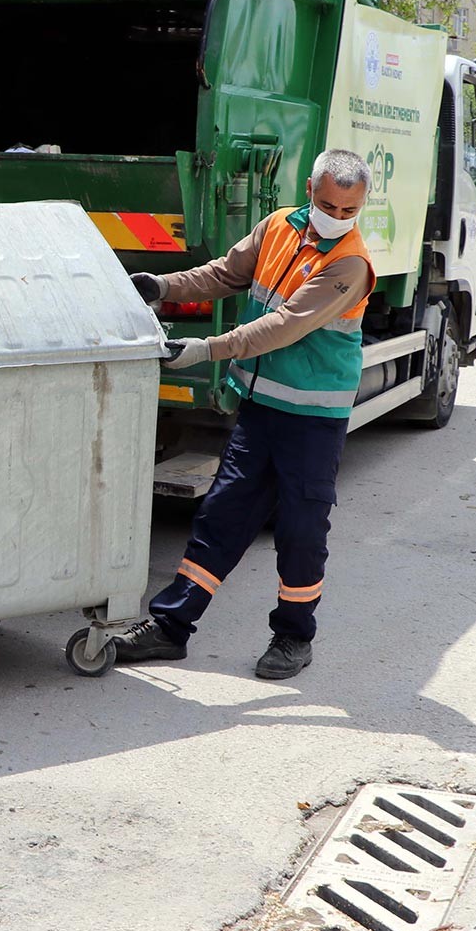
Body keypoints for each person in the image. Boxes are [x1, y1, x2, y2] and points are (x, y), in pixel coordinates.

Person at [113, 148, 378, 680]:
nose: (337, 217)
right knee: (222, 515)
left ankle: (293, 637)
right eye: (328, 204)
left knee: (301, 530)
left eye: (349, 211)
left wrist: (205, 349)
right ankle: (171, 627)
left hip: (312, 419)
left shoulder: (350, 263)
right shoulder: (279, 226)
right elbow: (225, 275)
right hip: (261, 407)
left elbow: (282, 325)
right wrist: (162, 287)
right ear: (309, 189)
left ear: (361, 206)